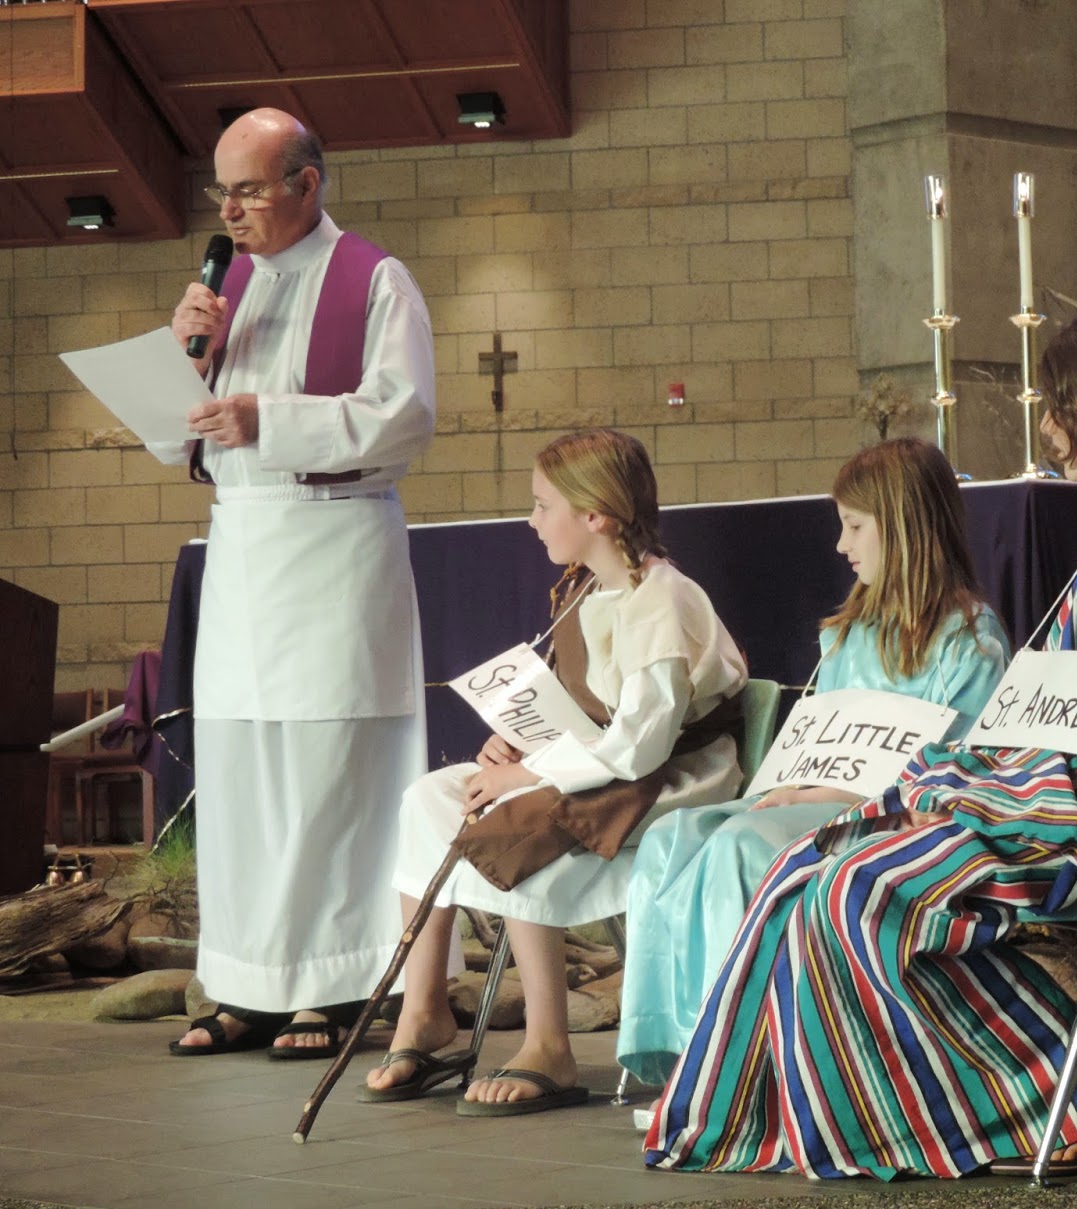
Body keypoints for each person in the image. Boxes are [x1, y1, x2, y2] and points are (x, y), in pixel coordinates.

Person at [644, 310, 1077, 1181]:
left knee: (859, 889)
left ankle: (1063, 1095)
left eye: (1055, 402)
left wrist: (1019, 775)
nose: (1045, 421)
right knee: (810, 868)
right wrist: (992, 770)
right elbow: (1049, 698)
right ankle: (905, 1102)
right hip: (1072, 785)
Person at [153, 108, 436, 1057]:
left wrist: (267, 419)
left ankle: (336, 985)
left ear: (308, 184)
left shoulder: (374, 280)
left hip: (333, 548)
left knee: (329, 775)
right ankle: (244, 984)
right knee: (241, 775)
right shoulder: (221, 287)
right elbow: (172, 437)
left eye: (248, 189)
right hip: (242, 552)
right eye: (220, 192)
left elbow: (402, 418)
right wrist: (181, 351)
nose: (229, 211)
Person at [364, 428, 748, 1115]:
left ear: (594, 514)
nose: (532, 519)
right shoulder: (586, 588)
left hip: (668, 780)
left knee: (513, 818)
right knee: (429, 797)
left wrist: (529, 777)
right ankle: (424, 1010)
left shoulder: (661, 598)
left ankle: (549, 1043)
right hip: (598, 762)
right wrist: (514, 739)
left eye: (544, 505)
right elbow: (579, 698)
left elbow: (640, 744)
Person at [618, 438, 1011, 1087]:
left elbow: (950, 772)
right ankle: (670, 1047)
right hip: (810, 798)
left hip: (888, 817)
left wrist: (815, 792)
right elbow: (817, 733)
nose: (840, 544)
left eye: (855, 525)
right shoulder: (848, 634)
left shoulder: (970, 640)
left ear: (907, 526)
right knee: (670, 837)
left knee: (740, 847)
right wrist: (794, 784)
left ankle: (735, 1064)